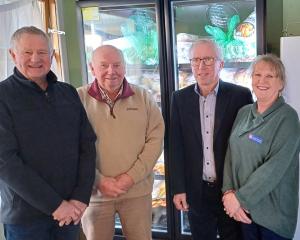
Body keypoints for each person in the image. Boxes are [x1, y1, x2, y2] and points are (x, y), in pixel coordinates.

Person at [0, 26, 96, 240]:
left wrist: (80, 199)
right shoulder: (3, 96)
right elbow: (5, 162)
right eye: (27, 52)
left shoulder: (68, 92)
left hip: (70, 212)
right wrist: (56, 205)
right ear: (13, 55)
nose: (36, 58)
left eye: (43, 52)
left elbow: (87, 146)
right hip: (26, 219)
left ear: (52, 56)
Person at [77, 45, 165, 240]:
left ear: (125, 67)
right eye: (104, 65)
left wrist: (130, 177)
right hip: (95, 195)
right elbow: (70, 147)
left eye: (117, 65)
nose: (111, 71)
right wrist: (98, 180)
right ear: (92, 68)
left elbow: (156, 139)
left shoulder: (143, 97)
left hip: (137, 193)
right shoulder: (78, 99)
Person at [170, 39, 253, 240]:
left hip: (231, 190)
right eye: (196, 60)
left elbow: (248, 144)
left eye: (208, 59)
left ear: (221, 64)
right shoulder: (179, 98)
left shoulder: (240, 95)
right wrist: (178, 188)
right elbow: (175, 146)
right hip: (196, 190)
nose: (201, 66)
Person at [222, 54, 300, 240]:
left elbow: (274, 168)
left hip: (273, 215)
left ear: (280, 83)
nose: (262, 81)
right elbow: (230, 155)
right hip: (244, 211)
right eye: (257, 75)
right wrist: (228, 192)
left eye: (269, 76)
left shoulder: (288, 118)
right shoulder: (243, 113)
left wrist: (238, 199)